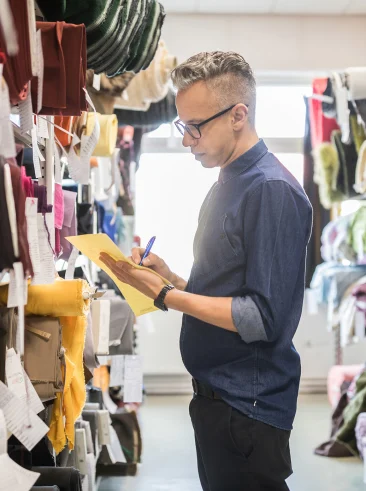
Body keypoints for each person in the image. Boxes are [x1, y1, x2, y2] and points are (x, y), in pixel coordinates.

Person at [100, 51, 313, 491]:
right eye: (182, 126)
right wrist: (173, 279)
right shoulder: (230, 181)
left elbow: (261, 318)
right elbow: (231, 287)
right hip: (219, 401)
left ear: (239, 115)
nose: (186, 140)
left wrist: (164, 296)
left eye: (195, 127)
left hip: (246, 410)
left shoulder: (271, 190)